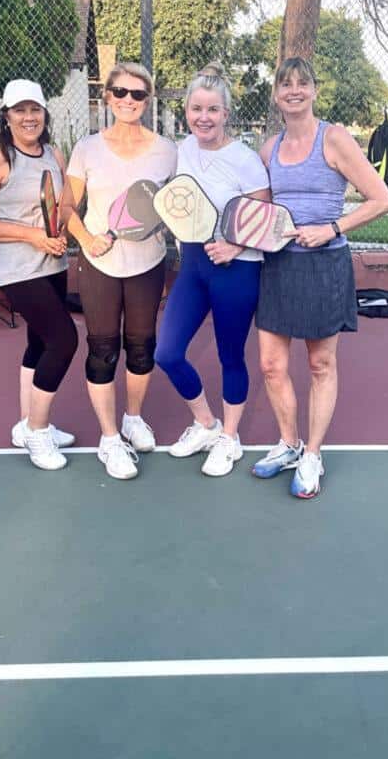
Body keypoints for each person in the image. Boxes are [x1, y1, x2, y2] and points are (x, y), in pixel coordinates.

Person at [252, 57, 388, 498]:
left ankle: (312, 454)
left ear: (314, 91)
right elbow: (262, 212)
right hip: (278, 265)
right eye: (285, 84)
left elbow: (382, 200)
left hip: (324, 264)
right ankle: (289, 444)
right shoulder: (268, 148)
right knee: (272, 366)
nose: (294, 91)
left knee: (319, 364)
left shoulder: (334, 139)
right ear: (276, 95)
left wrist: (331, 228)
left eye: (302, 83)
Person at [155, 63, 270, 476]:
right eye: (197, 108)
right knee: (166, 353)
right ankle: (206, 423)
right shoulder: (182, 150)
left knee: (230, 357)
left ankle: (230, 439)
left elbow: (266, 216)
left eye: (213, 110)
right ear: (186, 110)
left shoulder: (244, 160)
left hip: (236, 270)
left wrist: (235, 244)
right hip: (194, 267)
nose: (204, 117)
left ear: (226, 114)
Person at [64, 62, 177, 480]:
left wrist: (166, 222)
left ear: (148, 100)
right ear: (107, 96)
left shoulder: (168, 150)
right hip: (98, 262)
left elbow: (172, 206)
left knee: (142, 346)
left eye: (138, 94)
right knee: (103, 348)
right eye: (121, 92)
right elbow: (66, 209)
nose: (129, 100)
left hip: (148, 262)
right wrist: (85, 238)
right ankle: (109, 439)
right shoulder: (87, 148)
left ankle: (133, 417)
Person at [0, 79, 79, 472]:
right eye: (20, 110)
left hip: (53, 263)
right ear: (7, 116)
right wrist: (30, 234)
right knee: (64, 340)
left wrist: (65, 230)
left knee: (39, 342)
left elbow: (63, 206)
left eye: (35, 110)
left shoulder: (54, 154)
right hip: (17, 268)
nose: (28, 117)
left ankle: (24, 423)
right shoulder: (0, 156)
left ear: (44, 113)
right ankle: (38, 430)